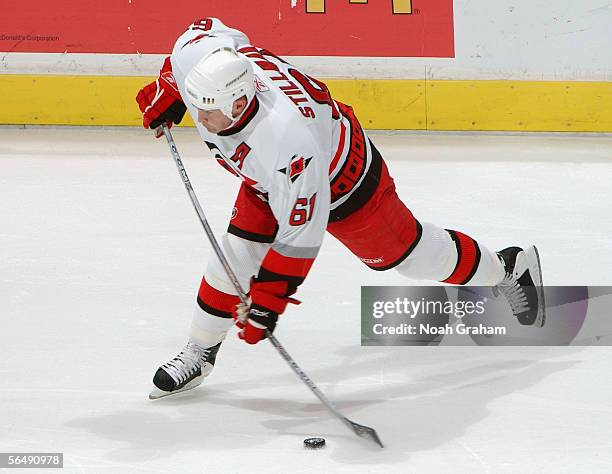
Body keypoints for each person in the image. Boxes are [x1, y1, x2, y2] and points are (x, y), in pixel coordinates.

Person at [136, 17, 545, 399]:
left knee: (414, 258)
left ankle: (508, 268)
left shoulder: (288, 140)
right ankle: (200, 352)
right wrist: (170, 88)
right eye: (196, 105)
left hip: (344, 181)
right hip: (268, 181)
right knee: (234, 254)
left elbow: (302, 232)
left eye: (206, 111)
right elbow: (209, 31)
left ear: (240, 104)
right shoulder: (203, 62)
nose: (199, 118)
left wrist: (271, 296)